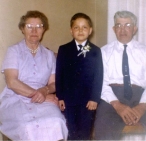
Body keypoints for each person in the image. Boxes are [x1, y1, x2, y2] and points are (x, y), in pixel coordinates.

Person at [94, 10, 146, 140]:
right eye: (119, 25)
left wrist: (142, 106)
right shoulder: (103, 52)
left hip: (140, 96)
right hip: (112, 98)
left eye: (127, 25)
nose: (123, 29)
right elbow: (100, 82)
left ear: (134, 29)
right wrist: (117, 105)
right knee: (104, 128)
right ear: (114, 29)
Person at [0, 10, 68, 141]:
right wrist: (40, 94)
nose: (34, 31)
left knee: (57, 120)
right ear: (22, 29)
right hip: (15, 98)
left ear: (44, 30)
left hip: (43, 99)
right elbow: (11, 82)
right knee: (27, 126)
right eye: (29, 26)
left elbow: (53, 83)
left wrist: (45, 90)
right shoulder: (13, 51)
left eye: (39, 26)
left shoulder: (49, 55)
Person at [56, 13, 103, 140]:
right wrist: (60, 97)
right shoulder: (64, 49)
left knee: (85, 131)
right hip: (69, 100)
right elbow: (59, 74)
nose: (80, 30)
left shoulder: (95, 51)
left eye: (84, 27)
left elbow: (98, 76)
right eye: (76, 27)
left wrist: (94, 98)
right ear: (71, 31)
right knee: (71, 130)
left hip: (88, 101)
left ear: (90, 30)